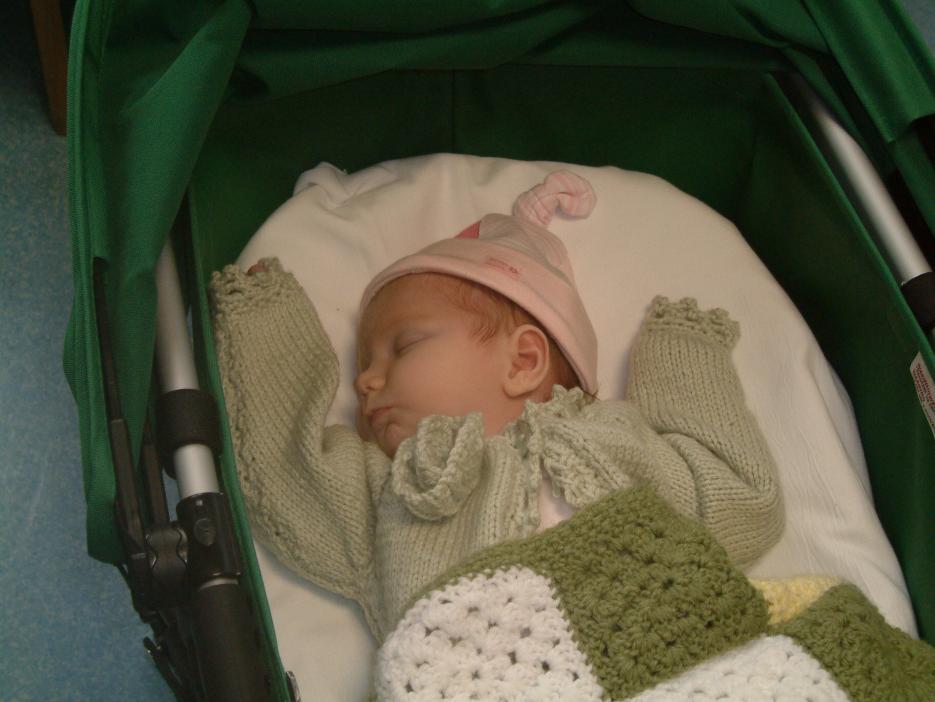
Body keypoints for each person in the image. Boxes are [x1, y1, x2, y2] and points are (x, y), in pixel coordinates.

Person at [210, 171, 783, 642]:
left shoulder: (615, 441)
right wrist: (265, 324)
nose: (365, 381)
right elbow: (290, 471)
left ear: (523, 361)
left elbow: (740, 501)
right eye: (364, 363)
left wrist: (682, 356)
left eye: (403, 346)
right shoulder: (395, 491)